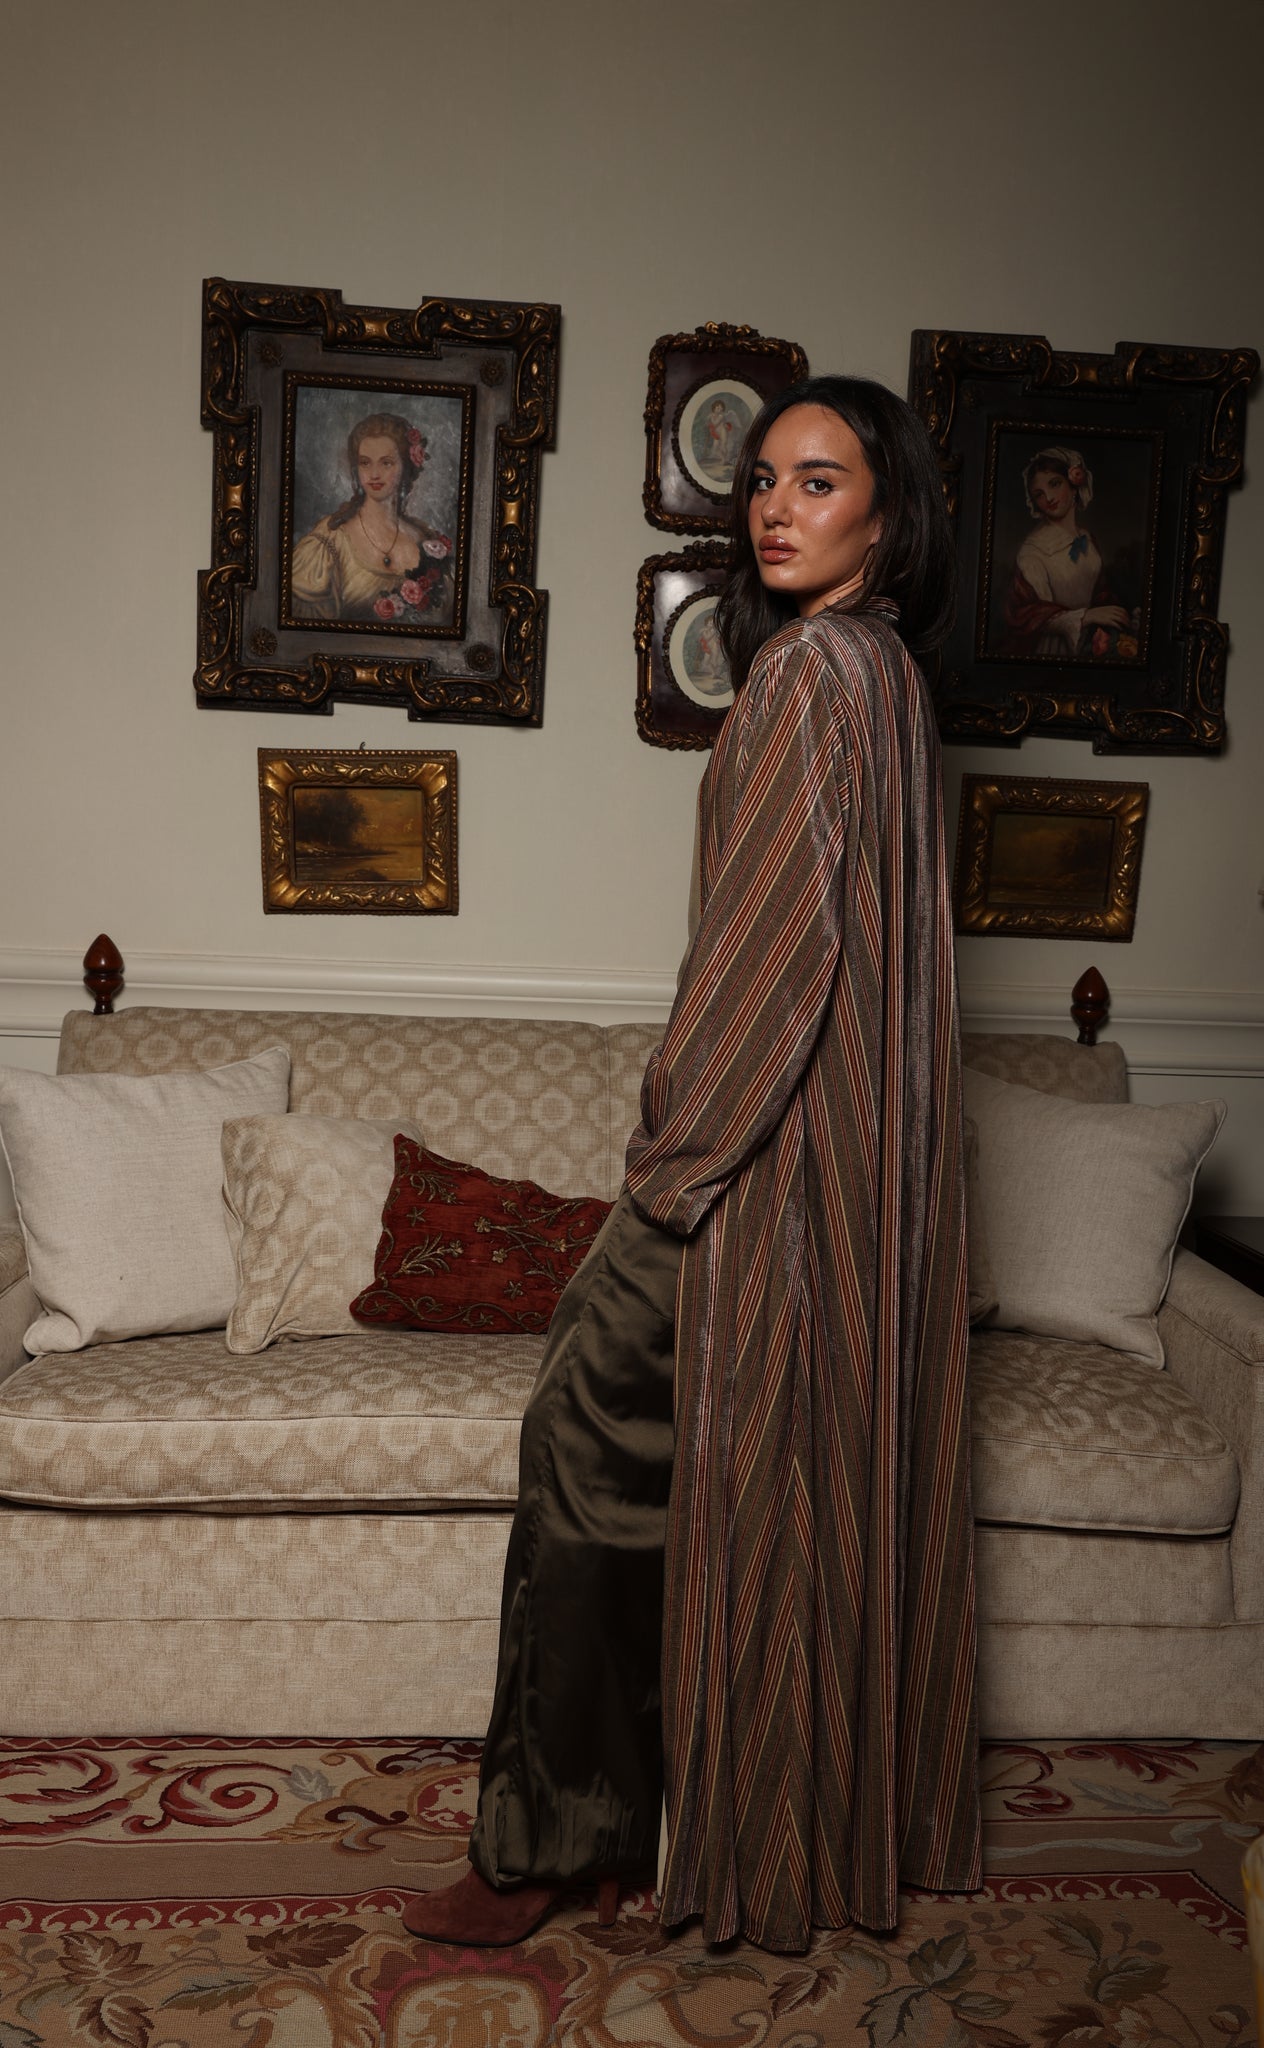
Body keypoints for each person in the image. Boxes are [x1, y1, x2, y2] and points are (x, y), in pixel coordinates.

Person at [402, 375, 981, 1956]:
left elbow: (772, 961)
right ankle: (646, 1822)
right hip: (839, 1178)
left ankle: (545, 1846)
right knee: (723, 1488)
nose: (778, 507)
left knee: (580, 1431)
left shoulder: (807, 678)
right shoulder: (888, 678)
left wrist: (670, 1169)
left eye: (821, 480)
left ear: (889, 514)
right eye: (765, 479)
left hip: (751, 1172)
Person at [289, 411, 454, 625]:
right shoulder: (330, 541)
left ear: (405, 466)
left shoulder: (425, 539)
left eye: (386, 463)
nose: (374, 474)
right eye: (365, 463)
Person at [1001, 446, 1132, 659]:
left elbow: (1098, 592)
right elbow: (1023, 614)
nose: (1049, 498)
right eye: (1039, 494)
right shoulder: (1033, 551)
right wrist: (1085, 617)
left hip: (1089, 645)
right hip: (1051, 649)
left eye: (1055, 484)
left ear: (1074, 486)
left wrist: (1120, 614)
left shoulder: (1086, 539)